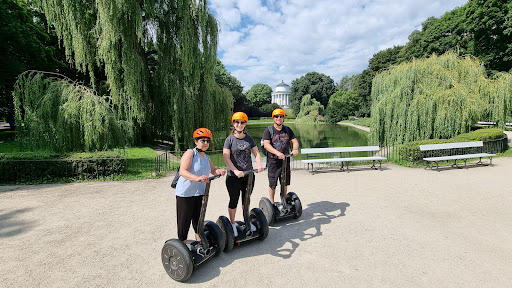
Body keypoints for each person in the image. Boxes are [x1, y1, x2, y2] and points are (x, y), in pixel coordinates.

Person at [175, 128, 226, 244]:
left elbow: (213, 170)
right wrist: (197, 178)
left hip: (199, 192)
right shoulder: (190, 153)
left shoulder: (206, 157)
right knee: (184, 221)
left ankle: (200, 242)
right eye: (203, 140)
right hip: (186, 193)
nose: (206, 143)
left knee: (198, 219)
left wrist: (219, 171)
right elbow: (182, 171)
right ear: (196, 141)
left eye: (208, 141)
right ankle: (182, 246)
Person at [223, 112, 264, 237]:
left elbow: (256, 153)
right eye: (237, 122)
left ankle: (246, 220)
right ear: (233, 123)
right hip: (233, 177)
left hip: (248, 175)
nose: (239, 124)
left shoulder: (249, 138)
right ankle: (232, 223)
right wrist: (235, 170)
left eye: (242, 122)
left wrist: (259, 164)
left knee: (246, 199)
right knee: (234, 200)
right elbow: (226, 157)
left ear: (245, 123)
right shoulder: (229, 139)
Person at [262, 108, 299, 203]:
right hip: (273, 161)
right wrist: (277, 153)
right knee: (272, 184)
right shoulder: (268, 131)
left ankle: (284, 200)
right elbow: (266, 145)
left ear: (283, 118)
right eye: (276, 116)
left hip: (285, 161)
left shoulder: (287, 130)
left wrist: (295, 149)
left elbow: (294, 141)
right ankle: (272, 203)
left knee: (285, 182)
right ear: (273, 118)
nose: (279, 118)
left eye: (281, 116)